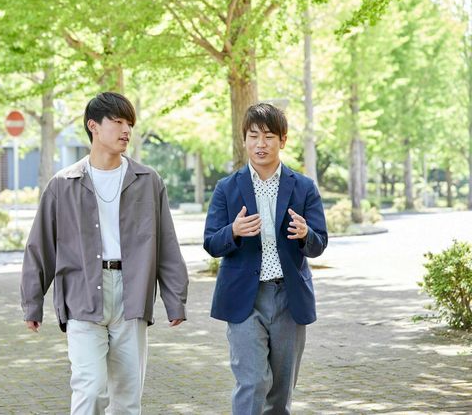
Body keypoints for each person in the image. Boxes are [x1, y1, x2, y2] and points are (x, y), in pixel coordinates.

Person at [21, 92, 189, 415]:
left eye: (130, 124)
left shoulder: (148, 181)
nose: (126, 130)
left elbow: (167, 244)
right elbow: (40, 246)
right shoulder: (63, 184)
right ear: (93, 126)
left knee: (127, 397)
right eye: (118, 121)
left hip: (132, 294)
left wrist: (175, 299)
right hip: (82, 292)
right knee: (91, 388)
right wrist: (32, 302)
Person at [203, 103, 328, 414]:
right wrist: (233, 231)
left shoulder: (304, 187)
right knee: (254, 381)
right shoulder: (226, 188)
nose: (261, 143)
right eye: (253, 136)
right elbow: (211, 243)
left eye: (269, 136)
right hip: (244, 298)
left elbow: (319, 244)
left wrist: (306, 234)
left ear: (282, 140)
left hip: (289, 297)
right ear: (244, 139)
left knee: (281, 391)